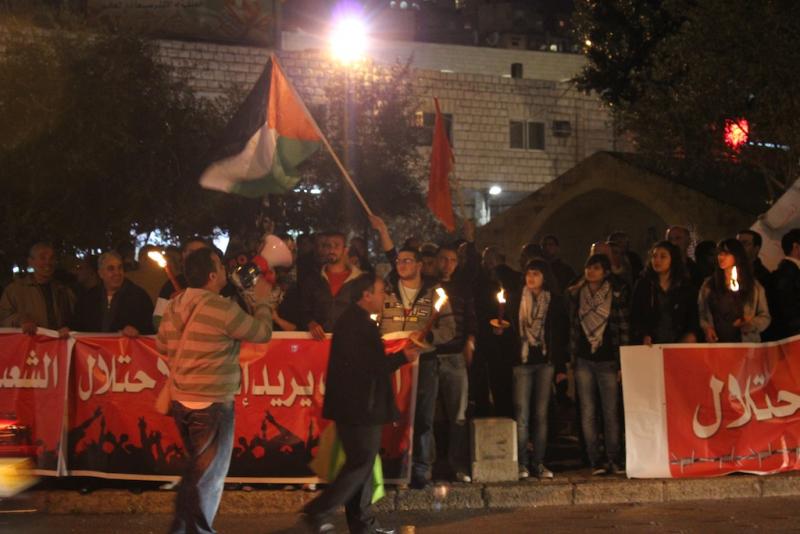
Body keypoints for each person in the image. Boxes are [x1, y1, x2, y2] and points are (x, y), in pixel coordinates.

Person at [156, 247, 273, 534]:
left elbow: (162, 345)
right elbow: (261, 333)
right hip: (212, 404)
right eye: (220, 266)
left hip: (182, 401)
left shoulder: (174, 305)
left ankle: (181, 528)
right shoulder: (220, 308)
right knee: (209, 477)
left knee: (197, 473)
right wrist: (263, 303)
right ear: (211, 275)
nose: (225, 270)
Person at [301, 274, 420, 534]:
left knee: (362, 464)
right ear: (366, 295)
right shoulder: (357, 324)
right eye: (380, 291)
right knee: (361, 463)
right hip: (359, 408)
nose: (385, 297)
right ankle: (318, 510)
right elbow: (370, 367)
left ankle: (363, 524)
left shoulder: (357, 321)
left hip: (358, 406)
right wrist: (402, 356)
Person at [503, 259, 568, 480]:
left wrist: (560, 365)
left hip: (544, 362)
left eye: (536, 274)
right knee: (522, 414)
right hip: (522, 362)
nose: (531, 278)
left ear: (545, 277)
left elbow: (559, 334)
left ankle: (539, 462)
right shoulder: (515, 300)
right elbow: (509, 328)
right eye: (528, 274)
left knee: (540, 415)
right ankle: (522, 463)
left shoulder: (554, 302)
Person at [566, 254, 630, 475]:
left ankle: (614, 457)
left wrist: (622, 362)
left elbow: (622, 328)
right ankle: (595, 459)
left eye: (596, 268)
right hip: (584, 359)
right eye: (588, 267)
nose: (591, 272)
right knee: (588, 411)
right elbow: (572, 327)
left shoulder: (614, 294)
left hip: (608, 360)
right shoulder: (577, 294)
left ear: (605, 272)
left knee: (610, 411)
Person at [433, 243, 476, 483]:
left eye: (451, 259)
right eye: (443, 258)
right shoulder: (428, 286)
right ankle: (429, 465)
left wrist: (470, 341)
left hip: (455, 356)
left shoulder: (462, 287)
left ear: (456, 263)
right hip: (431, 355)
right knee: (429, 415)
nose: (446, 264)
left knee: (457, 414)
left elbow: (471, 318)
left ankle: (457, 464)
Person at [698, 238, 770, 343]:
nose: (721, 257)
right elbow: (702, 313)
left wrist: (750, 324)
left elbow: (765, 317)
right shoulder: (709, 285)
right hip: (717, 342)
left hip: (744, 343)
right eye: (720, 254)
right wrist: (707, 328)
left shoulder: (753, 286)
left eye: (726, 254)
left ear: (737, 256)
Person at [630, 241, 699, 345]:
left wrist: (691, 333)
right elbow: (635, 314)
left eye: (663, 257)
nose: (657, 260)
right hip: (651, 343)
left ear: (673, 259)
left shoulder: (685, 286)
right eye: (654, 256)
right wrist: (643, 334)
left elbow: (693, 314)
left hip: (678, 342)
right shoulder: (644, 285)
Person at [70, 251, 155, 336]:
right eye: (111, 269)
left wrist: (137, 332)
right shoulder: (88, 299)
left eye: (120, 268)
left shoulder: (139, 297)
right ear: (100, 273)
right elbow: (76, 327)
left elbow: (151, 330)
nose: (117, 273)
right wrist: (67, 330)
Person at [0, 242, 75, 336]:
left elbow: (72, 319)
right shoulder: (15, 290)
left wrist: (67, 329)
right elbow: (3, 318)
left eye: (51, 258)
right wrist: (20, 321)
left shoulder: (62, 290)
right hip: (27, 346)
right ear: (30, 262)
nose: (48, 262)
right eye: (42, 258)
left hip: (56, 346)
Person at [301, 231, 363, 340]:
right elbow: (303, 309)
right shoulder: (313, 279)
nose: (331, 249)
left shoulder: (359, 280)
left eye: (336, 245)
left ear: (345, 250)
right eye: (327, 246)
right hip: (319, 343)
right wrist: (310, 323)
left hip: (350, 343)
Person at [153, 238, 211, 329]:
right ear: (183, 255)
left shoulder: (218, 284)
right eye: (192, 252)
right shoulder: (170, 286)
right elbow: (157, 320)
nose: (196, 257)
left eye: (202, 253)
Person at [769, 229, 800, 339]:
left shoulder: (788, 271)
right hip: (792, 335)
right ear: (796, 246)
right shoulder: (787, 273)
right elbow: (787, 306)